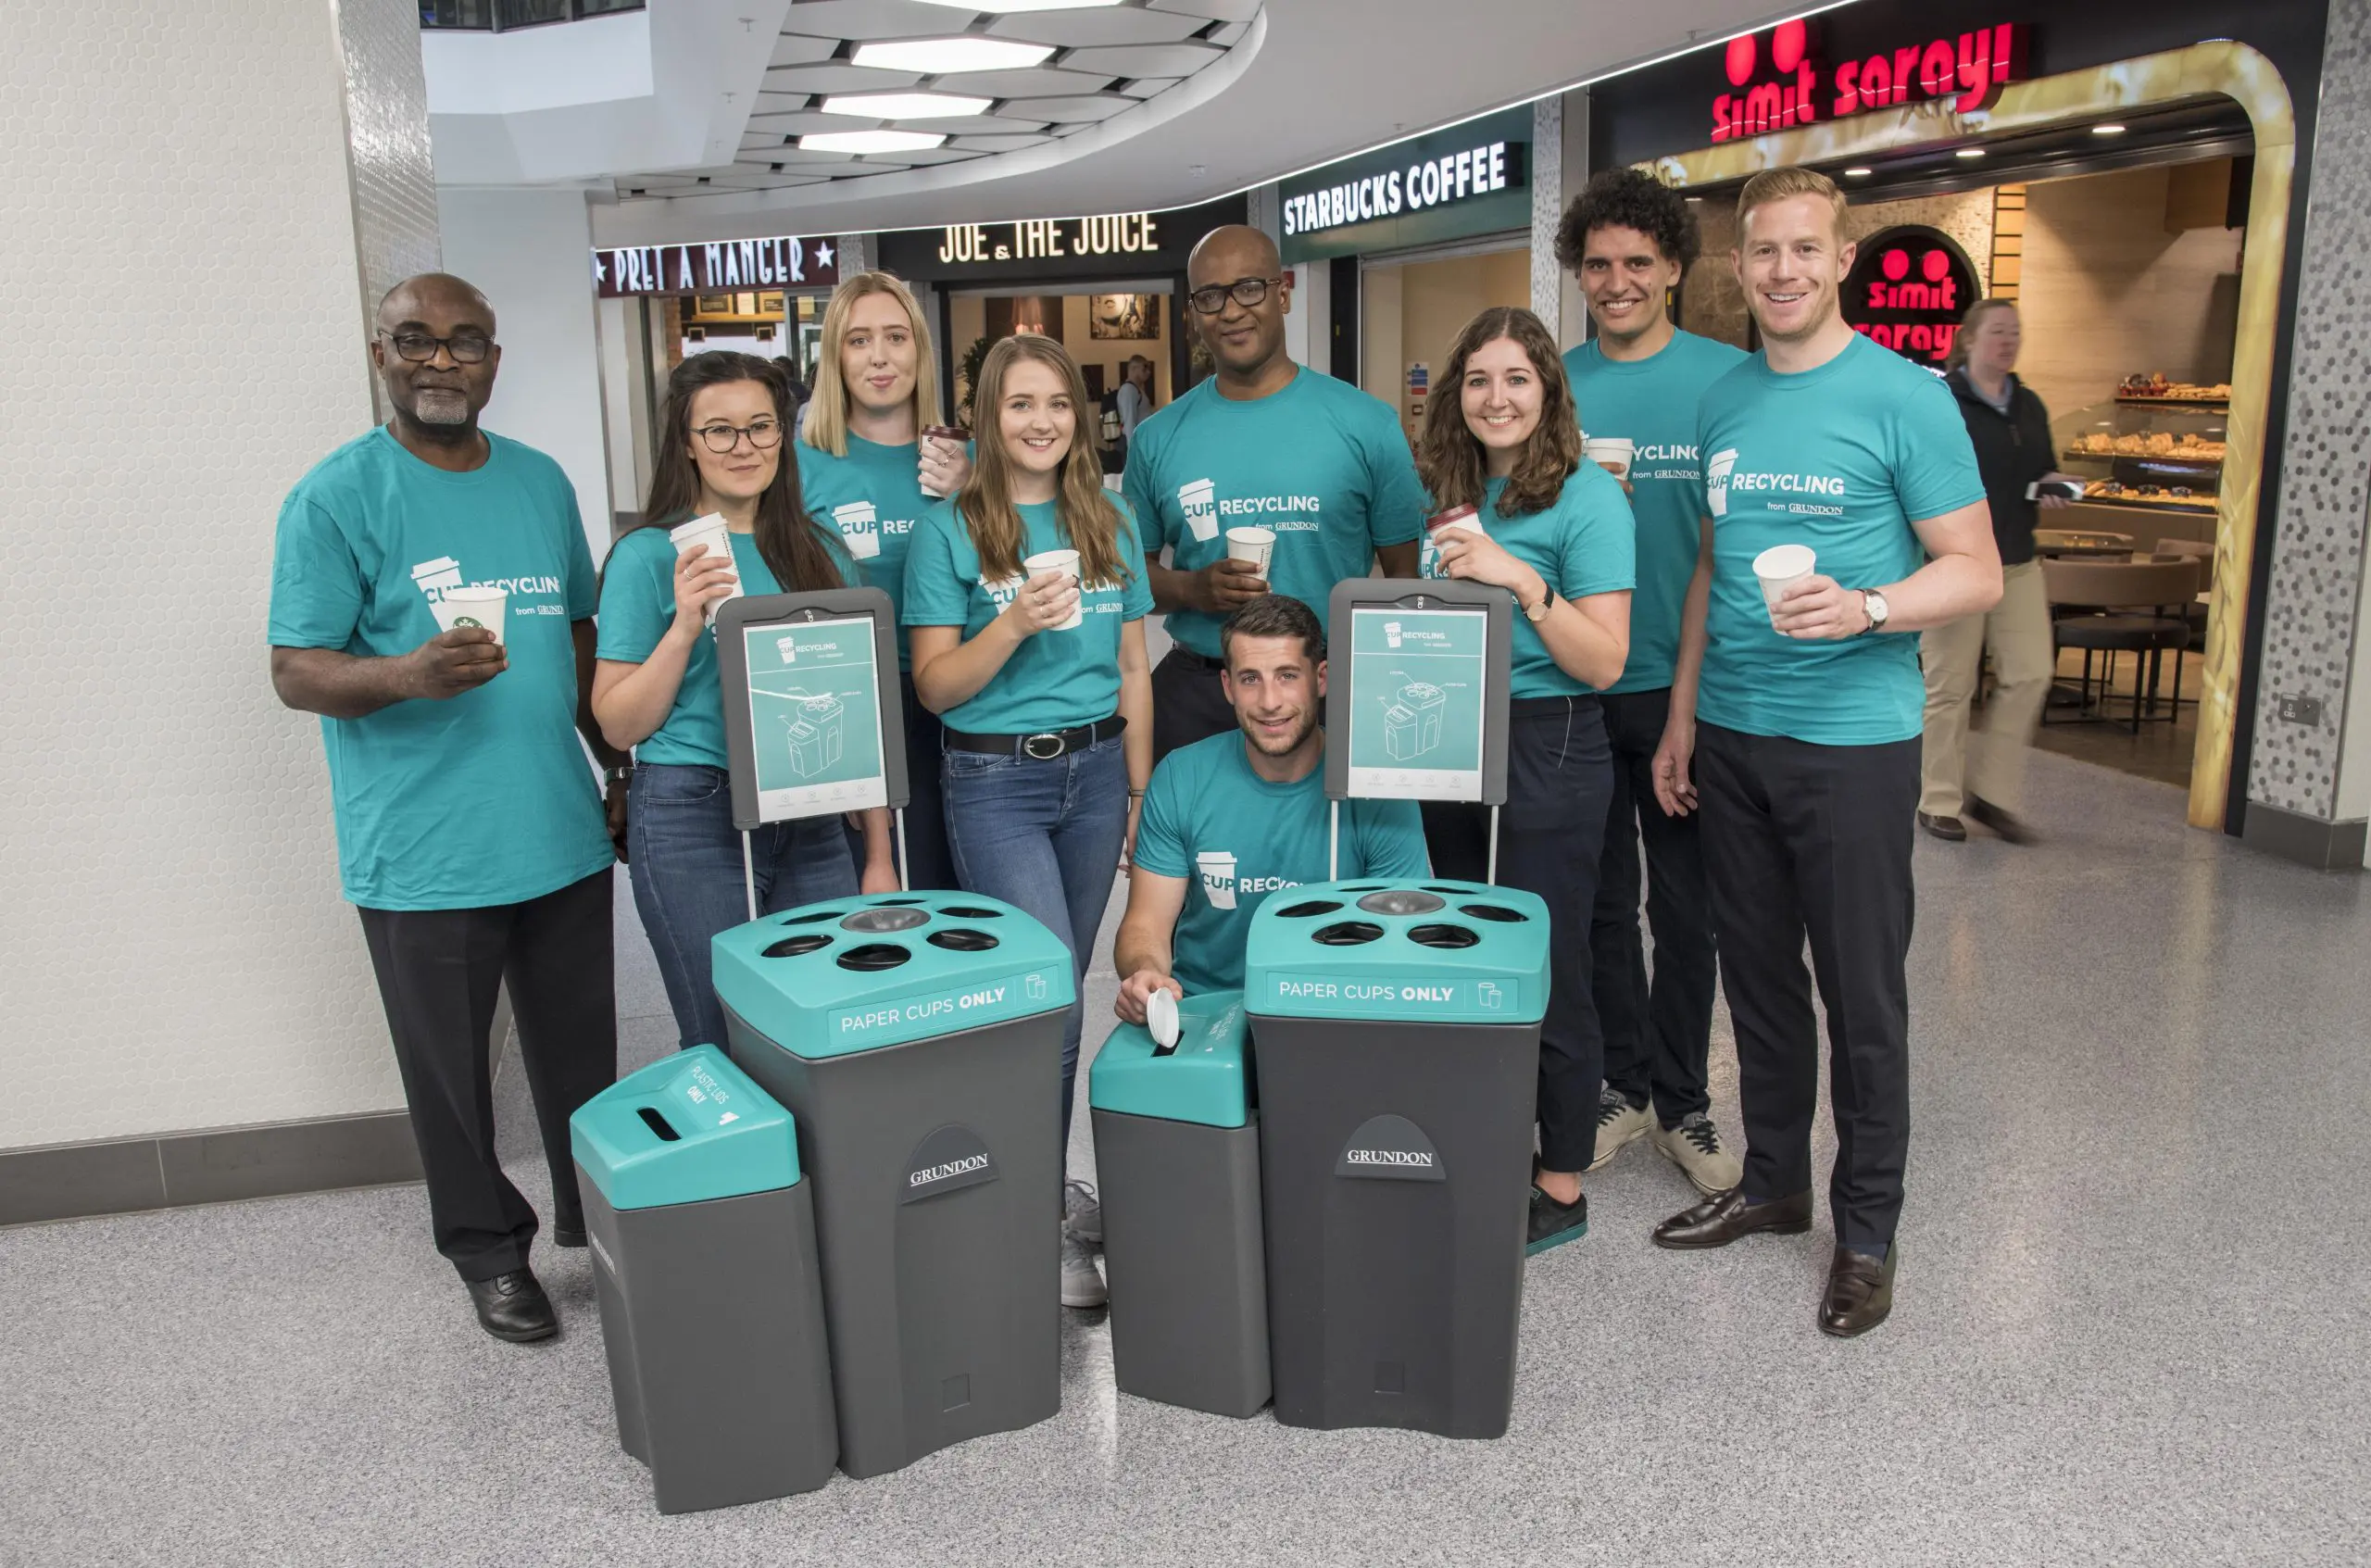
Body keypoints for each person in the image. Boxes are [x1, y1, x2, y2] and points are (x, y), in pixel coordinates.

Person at [1649, 168, 2001, 1337]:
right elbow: (1709, 564)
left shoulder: (1905, 396)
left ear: (1841, 259)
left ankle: (1866, 1228)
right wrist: (1686, 712)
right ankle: (1774, 1183)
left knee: (1861, 993)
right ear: (1737, 264)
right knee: (1753, 977)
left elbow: (1975, 570)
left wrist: (1866, 610)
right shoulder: (1728, 399)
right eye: (1763, 252)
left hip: (1853, 743)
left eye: (1805, 249)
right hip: (1737, 737)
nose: (1783, 271)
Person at [268, 273, 625, 1345]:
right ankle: (487, 1252)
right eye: (415, 340)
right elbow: (294, 670)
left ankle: (594, 1226)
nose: (440, 361)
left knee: (581, 1057)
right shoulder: (335, 496)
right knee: (451, 1074)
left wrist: (615, 765)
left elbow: (574, 631)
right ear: (381, 353)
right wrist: (406, 677)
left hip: (555, 831)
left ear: (493, 362)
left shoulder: (540, 483)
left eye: (464, 343)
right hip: (424, 848)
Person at [903, 332, 1155, 1311]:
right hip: (994, 780)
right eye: (1018, 404)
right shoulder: (951, 530)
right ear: (984, 418)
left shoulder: (1110, 518)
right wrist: (1007, 624)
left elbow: (1133, 668)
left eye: (1056, 402)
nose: (1041, 421)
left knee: (1066, 994)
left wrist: (1137, 795)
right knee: (1047, 999)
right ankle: (1037, 1210)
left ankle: (1039, 1181)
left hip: (1094, 777)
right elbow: (934, 688)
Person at [593, 352, 898, 1054]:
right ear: (688, 442)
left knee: (825, 1025)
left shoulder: (820, 550)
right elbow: (617, 722)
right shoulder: (647, 555)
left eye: (761, 427)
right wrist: (684, 624)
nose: (744, 447)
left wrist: (877, 852)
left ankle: (820, 1170)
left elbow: (858, 711)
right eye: (720, 431)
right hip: (693, 813)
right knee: (723, 1032)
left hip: (814, 815)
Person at [1414, 306, 1635, 1256]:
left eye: (1515, 377)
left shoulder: (1588, 500)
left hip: (1548, 743)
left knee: (1547, 964)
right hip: (1450, 741)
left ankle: (1560, 1182)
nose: (1495, 396)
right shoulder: (1455, 493)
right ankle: (1485, 1142)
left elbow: (1604, 661)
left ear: (1547, 390)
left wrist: (1521, 581)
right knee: (1462, 953)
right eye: (1477, 380)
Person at [1557, 168, 1749, 1196]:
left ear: (1674, 266)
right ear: (1576, 273)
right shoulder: (1551, 383)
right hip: (1579, 685)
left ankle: (1685, 1100)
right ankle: (1619, 1086)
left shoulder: (1727, 381)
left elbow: (1738, 544)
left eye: (1638, 262)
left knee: (1687, 910)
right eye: (1598, 264)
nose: (1617, 281)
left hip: (1688, 690)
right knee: (1596, 902)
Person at [1123, 224, 1426, 760]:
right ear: (1194, 313)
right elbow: (1129, 576)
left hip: (1330, 690)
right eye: (1210, 296)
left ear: (1282, 292)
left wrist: (1382, 681)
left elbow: (1406, 577)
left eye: (1249, 288)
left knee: (1333, 845)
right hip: (1199, 697)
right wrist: (1193, 590)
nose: (1231, 310)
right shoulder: (1156, 438)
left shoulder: (1367, 424)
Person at [1115, 594, 1428, 1018]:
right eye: (1250, 679)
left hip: (1336, 1013)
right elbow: (1145, 925)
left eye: (1286, 676)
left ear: (1320, 678)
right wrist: (1145, 973)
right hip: (1208, 1011)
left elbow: (1403, 942)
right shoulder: (1181, 775)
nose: (1269, 702)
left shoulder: (1376, 787)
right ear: (1227, 686)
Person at [796, 271, 972, 888]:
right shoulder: (800, 465)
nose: (879, 357)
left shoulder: (963, 458)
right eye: (858, 339)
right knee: (875, 898)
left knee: (957, 892)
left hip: (960, 694)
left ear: (920, 350)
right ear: (834, 356)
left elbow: (1010, 575)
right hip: (854, 699)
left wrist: (970, 497)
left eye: (896, 337)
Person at [1920, 298, 2077, 846]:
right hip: (1955, 565)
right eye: (1998, 332)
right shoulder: (1943, 400)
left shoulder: (2029, 404)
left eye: (2016, 332)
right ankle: (1937, 798)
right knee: (1950, 684)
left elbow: (2039, 467)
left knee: (2032, 671)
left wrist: (2054, 482)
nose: (2008, 341)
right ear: (1969, 338)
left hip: (2017, 561)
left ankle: (1994, 794)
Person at [1115, 355, 1153, 443]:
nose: (1148, 372)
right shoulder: (1129, 390)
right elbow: (1129, 422)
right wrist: (1132, 452)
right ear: (1134, 368)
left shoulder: (1137, 389)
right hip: (1136, 443)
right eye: (1144, 368)